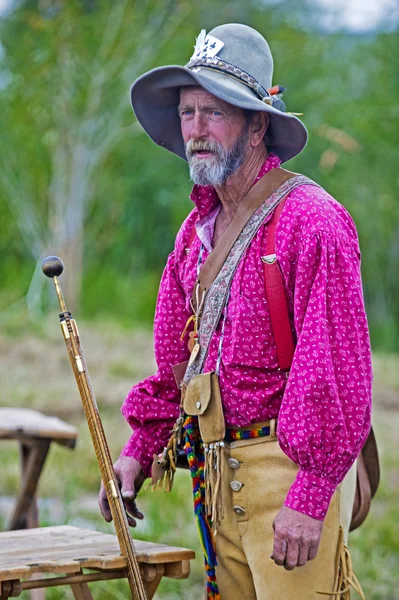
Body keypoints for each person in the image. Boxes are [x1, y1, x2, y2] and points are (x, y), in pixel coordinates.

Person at [99, 23, 371, 599]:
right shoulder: (194, 235)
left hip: (287, 478)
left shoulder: (312, 221)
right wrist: (139, 451)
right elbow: (180, 364)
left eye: (214, 113)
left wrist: (312, 495)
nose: (196, 130)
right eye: (187, 112)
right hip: (216, 471)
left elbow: (335, 370)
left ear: (257, 124)